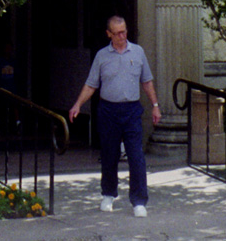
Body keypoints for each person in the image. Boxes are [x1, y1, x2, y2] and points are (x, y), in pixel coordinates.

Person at [68, 16, 161, 218]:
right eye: (117, 33)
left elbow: (147, 81)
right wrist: (77, 104)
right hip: (108, 110)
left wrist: (155, 106)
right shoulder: (102, 56)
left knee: (136, 156)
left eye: (124, 31)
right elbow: (91, 84)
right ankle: (108, 194)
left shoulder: (138, 52)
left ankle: (139, 201)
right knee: (109, 154)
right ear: (108, 33)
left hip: (132, 110)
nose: (122, 36)